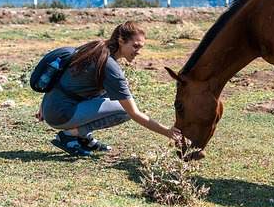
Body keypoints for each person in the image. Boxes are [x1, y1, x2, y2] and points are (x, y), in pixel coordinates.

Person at [36, 21, 180, 156]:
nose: (138, 52)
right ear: (121, 41)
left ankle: (83, 138)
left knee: (112, 95)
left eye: (140, 48)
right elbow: (133, 113)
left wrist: (45, 103)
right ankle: (70, 135)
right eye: (135, 46)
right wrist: (167, 132)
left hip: (52, 105)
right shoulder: (110, 67)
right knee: (125, 110)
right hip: (61, 113)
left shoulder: (95, 46)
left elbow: (60, 74)